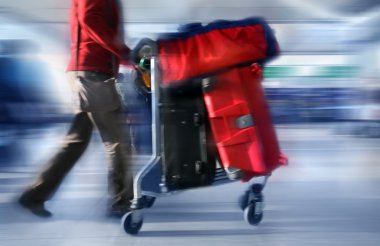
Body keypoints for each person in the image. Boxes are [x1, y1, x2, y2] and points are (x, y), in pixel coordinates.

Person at [18, 0, 134, 217]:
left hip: (89, 70)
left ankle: (34, 195)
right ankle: (122, 202)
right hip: (93, 72)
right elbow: (90, 20)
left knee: (76, 141)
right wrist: (125, 53)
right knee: (116, 141)